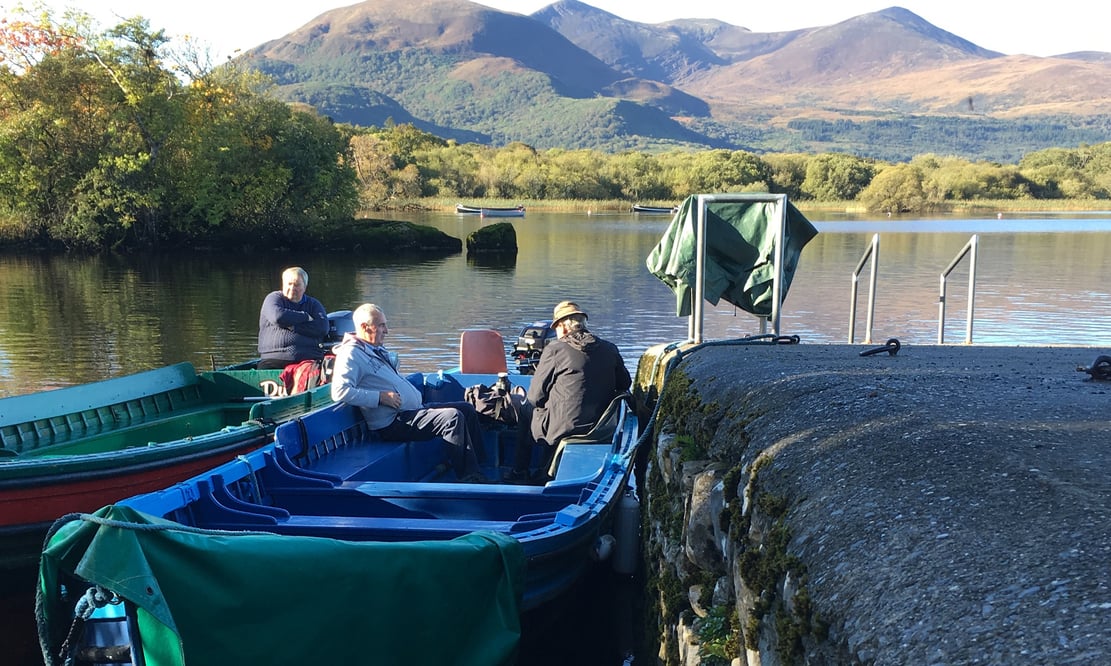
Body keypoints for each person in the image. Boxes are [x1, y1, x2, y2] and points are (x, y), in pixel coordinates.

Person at [330, 303, 487, 481]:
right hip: (392, 422)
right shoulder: (351, 354)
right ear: (365, 327)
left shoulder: (373, 348)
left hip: (410, 411)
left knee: (466, 409)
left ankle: (480, 468)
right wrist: (379, 397)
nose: (386, 331)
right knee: (452, 418)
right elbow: (339, 391)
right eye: (381, 325)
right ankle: (470, 478)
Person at [509, 300, 631, 481]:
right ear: (582, 324)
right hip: (601, 427)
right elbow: (625, 383)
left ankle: (519, 472)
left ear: (563, 328)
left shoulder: (555, 349)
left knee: (526, 409)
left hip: (562, 430)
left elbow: (535, 397)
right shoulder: (609, 348)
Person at [257, 266, 329, 370]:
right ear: (283, 284)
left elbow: (322, 328)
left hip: (308, 360)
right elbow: (278, 317)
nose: (292, 288)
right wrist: (305, 317)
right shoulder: (273, 298)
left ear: (305, 286)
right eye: (289, 284)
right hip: (274, 359)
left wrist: (292, 326)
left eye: (297, 285)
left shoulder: (313, 304)